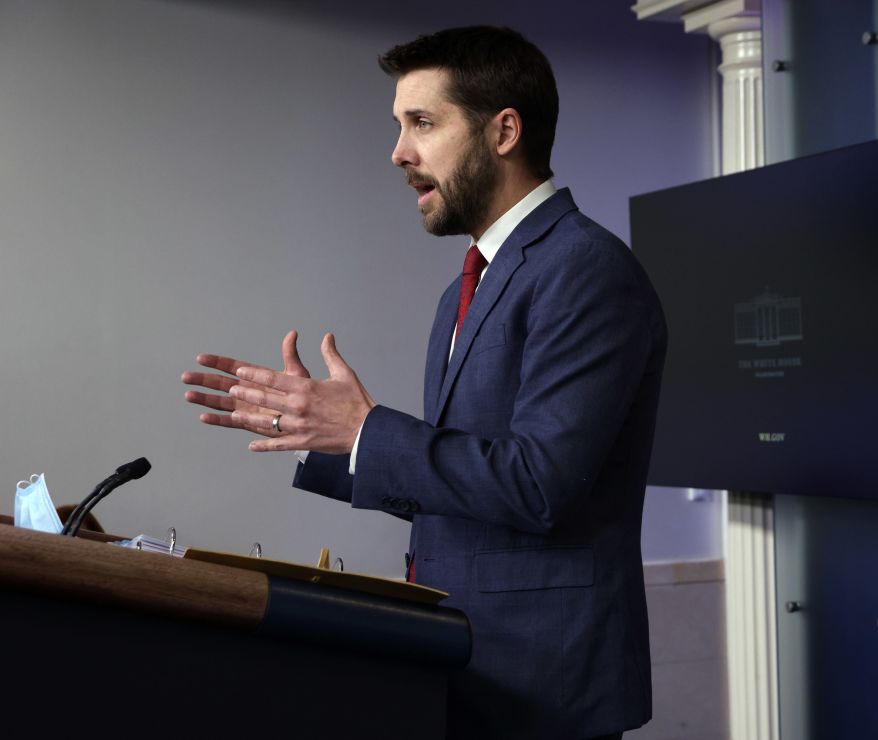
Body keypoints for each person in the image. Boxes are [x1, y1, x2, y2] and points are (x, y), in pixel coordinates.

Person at [183, 26, 666, 740]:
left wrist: (366, 432)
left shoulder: (586, 271)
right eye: (399, 126)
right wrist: (331, 439)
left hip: (545, 684)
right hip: (464, 661)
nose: (399, 152)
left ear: (504, 130)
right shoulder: (464, 290)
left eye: (423, 123)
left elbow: (540, 487)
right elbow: (469, 489)